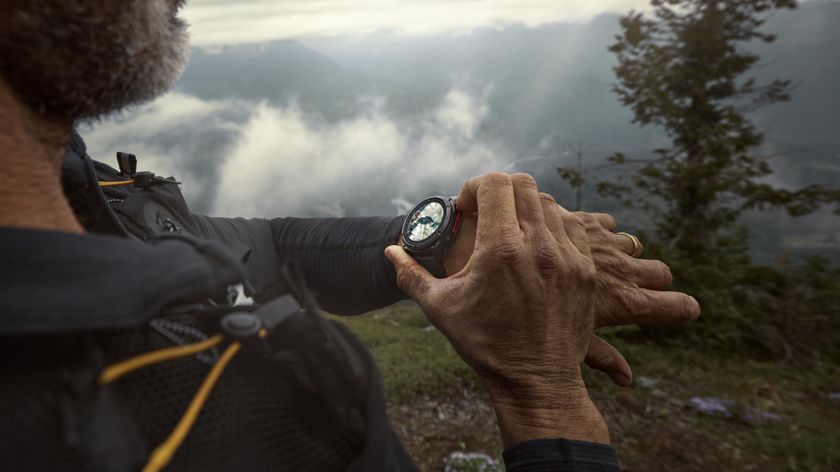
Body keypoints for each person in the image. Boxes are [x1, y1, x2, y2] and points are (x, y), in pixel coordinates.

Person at [0, 1, 701, 471]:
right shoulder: (202, 424)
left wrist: (442, 241)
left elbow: (270, 243)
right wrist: (544, 397)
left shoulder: (78, 187)